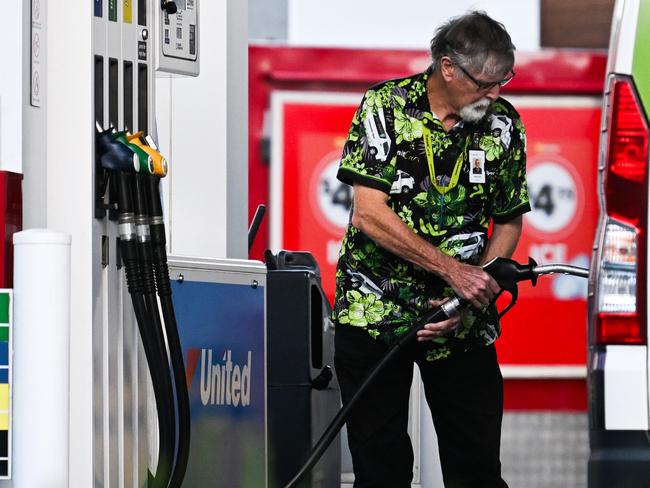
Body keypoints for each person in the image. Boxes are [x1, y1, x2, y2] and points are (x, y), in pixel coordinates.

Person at [332, 11, 530, 488]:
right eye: (486, 82)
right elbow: (370, 214)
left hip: (460, 321)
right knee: (381, 471)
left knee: (477, 469)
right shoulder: (385, 106)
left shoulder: (503, 125)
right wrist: (453, 272)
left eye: (504, 80)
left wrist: (471, 290)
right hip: (373, 310)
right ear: (447, 68)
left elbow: (507, 218)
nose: (495, 93)